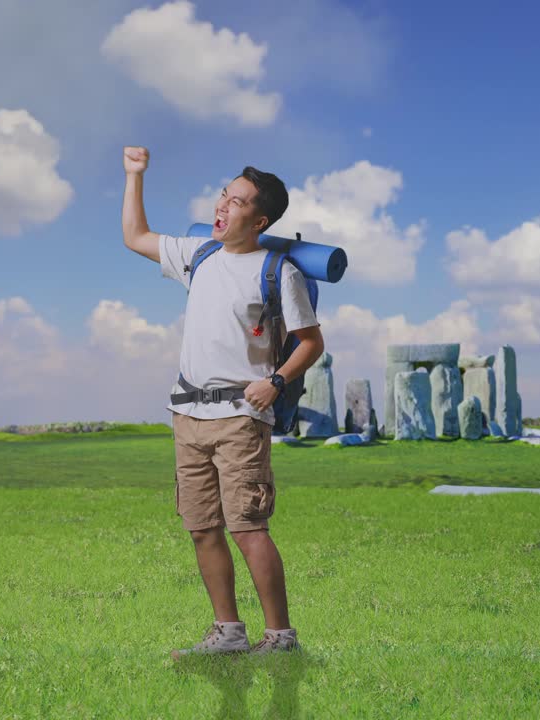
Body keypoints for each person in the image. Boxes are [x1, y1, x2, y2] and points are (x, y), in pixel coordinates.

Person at [120, 146, 325, 658]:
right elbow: (135, 237)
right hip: (188, 414)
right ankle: (228, 632)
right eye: (222, 195)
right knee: (202, 527)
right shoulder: (200, 255)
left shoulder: (278, 272)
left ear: (258, 221)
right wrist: (134, 174)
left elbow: (311, 342)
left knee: (248, 528)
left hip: (241, 417)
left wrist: (275, 382)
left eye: (236, 201)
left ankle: (280, 637)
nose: (222, 206)